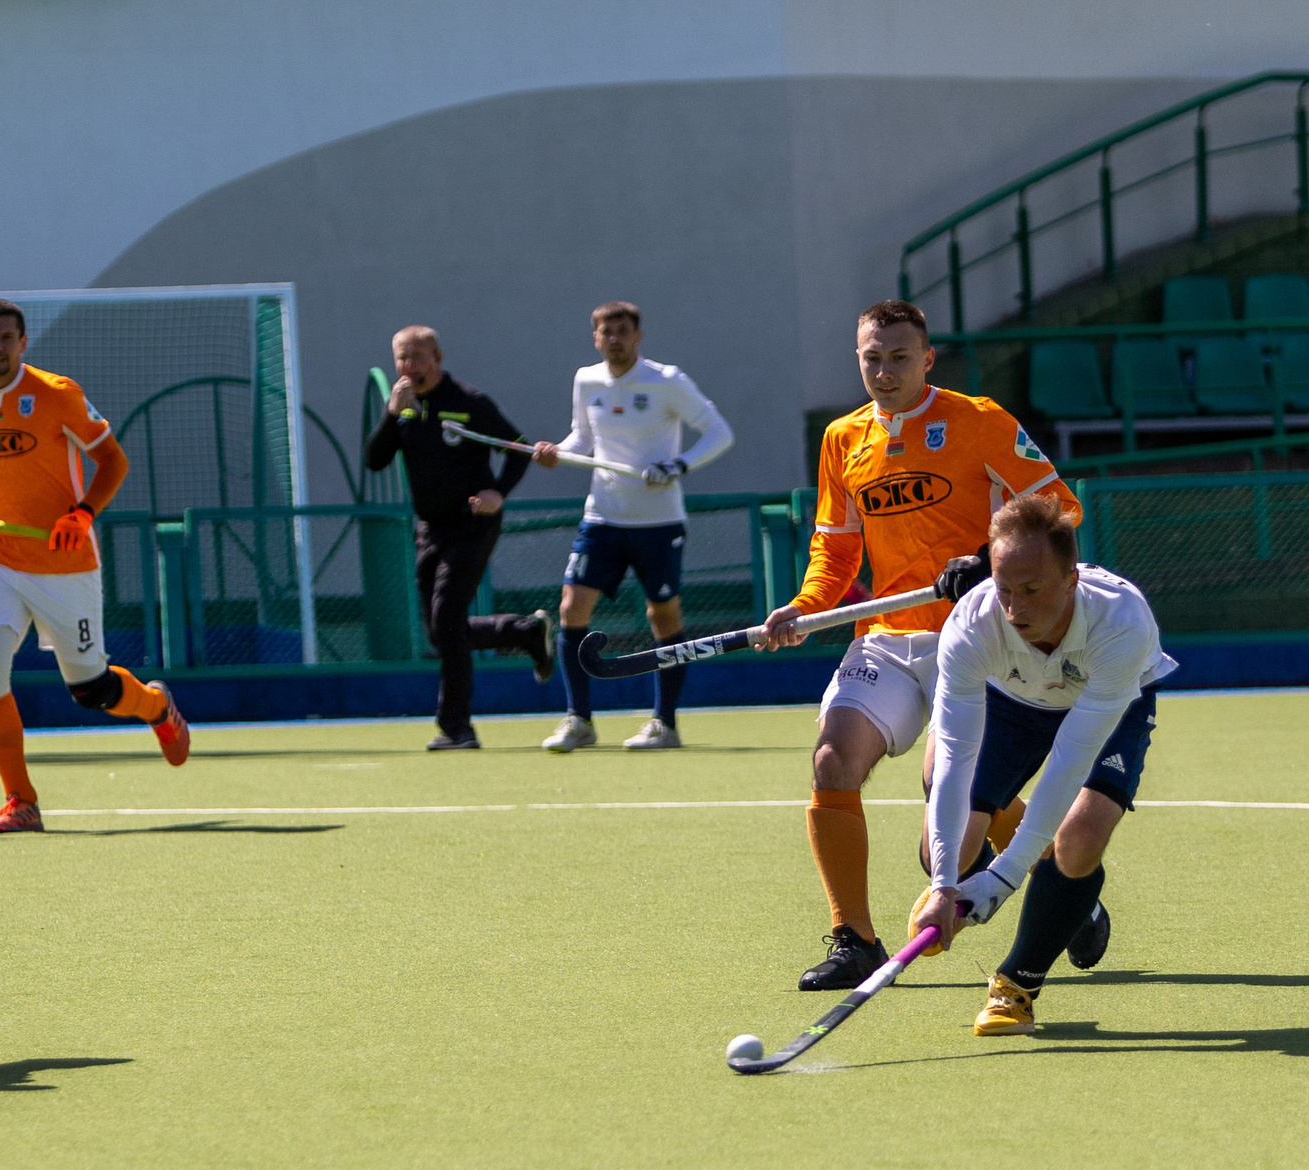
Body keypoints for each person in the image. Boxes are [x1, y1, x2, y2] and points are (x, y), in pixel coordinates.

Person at [755, 298, 1080, 991]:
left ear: (927, 359)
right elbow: (834, 549)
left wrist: (994, 561)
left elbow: (1060, 510)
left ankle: (1061, 877)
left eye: (899, 356)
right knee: (831, 761)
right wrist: (805, 607)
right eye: (871, 357)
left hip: (979, 634)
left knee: (948, 786)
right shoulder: (843, 439)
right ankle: (855, 939)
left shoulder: (980, 421)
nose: (884, 370)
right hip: (887, 639)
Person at [0, 298, 189, 835]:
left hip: (65, 564)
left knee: (91, 690)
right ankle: (21, 800)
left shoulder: (59, 395)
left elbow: (113, 461)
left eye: (5, 338)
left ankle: (154, 706)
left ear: (23, 342)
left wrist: (82, 514)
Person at [909, 491, 1176, 1035]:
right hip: (1008, 701)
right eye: (1004, 589)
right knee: (951, 846)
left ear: (1071, 579)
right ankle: (1068, 902)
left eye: (1031, 590)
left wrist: (1003, 879)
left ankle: (1017, 985)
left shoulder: (1121, 623)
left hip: (1106, 704)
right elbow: (955, 758)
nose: (1014, 609)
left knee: (1079, 838)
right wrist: (943, 885)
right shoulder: (972, 623)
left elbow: (1068, 763)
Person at [530, 301, 734, 752]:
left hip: (658, 522)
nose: (615, 339)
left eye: (623, 330)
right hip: (601, 517)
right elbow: (581, 439)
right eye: (606, 331)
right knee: (570, 610)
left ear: (638, 336)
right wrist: (555, 453)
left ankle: (665, 724)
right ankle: (578, 720)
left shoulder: (666, 381)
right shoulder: (586, 380)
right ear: (595, 337)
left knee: (662, 616)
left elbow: (719, 432)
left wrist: (678, 464)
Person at [362, 325, 556, 749]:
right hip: (429, 530)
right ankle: (524, 634)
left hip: (472, 524)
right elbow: (374, 461)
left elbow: (520, 449)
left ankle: (456, 727)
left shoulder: (469, 402)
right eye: (401, 358)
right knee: (439, 631)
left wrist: (497, 494)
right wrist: (391, 414)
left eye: (417, 357)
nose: (408, 366)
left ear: (437, 357)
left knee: (448, 619)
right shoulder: (404, 407)